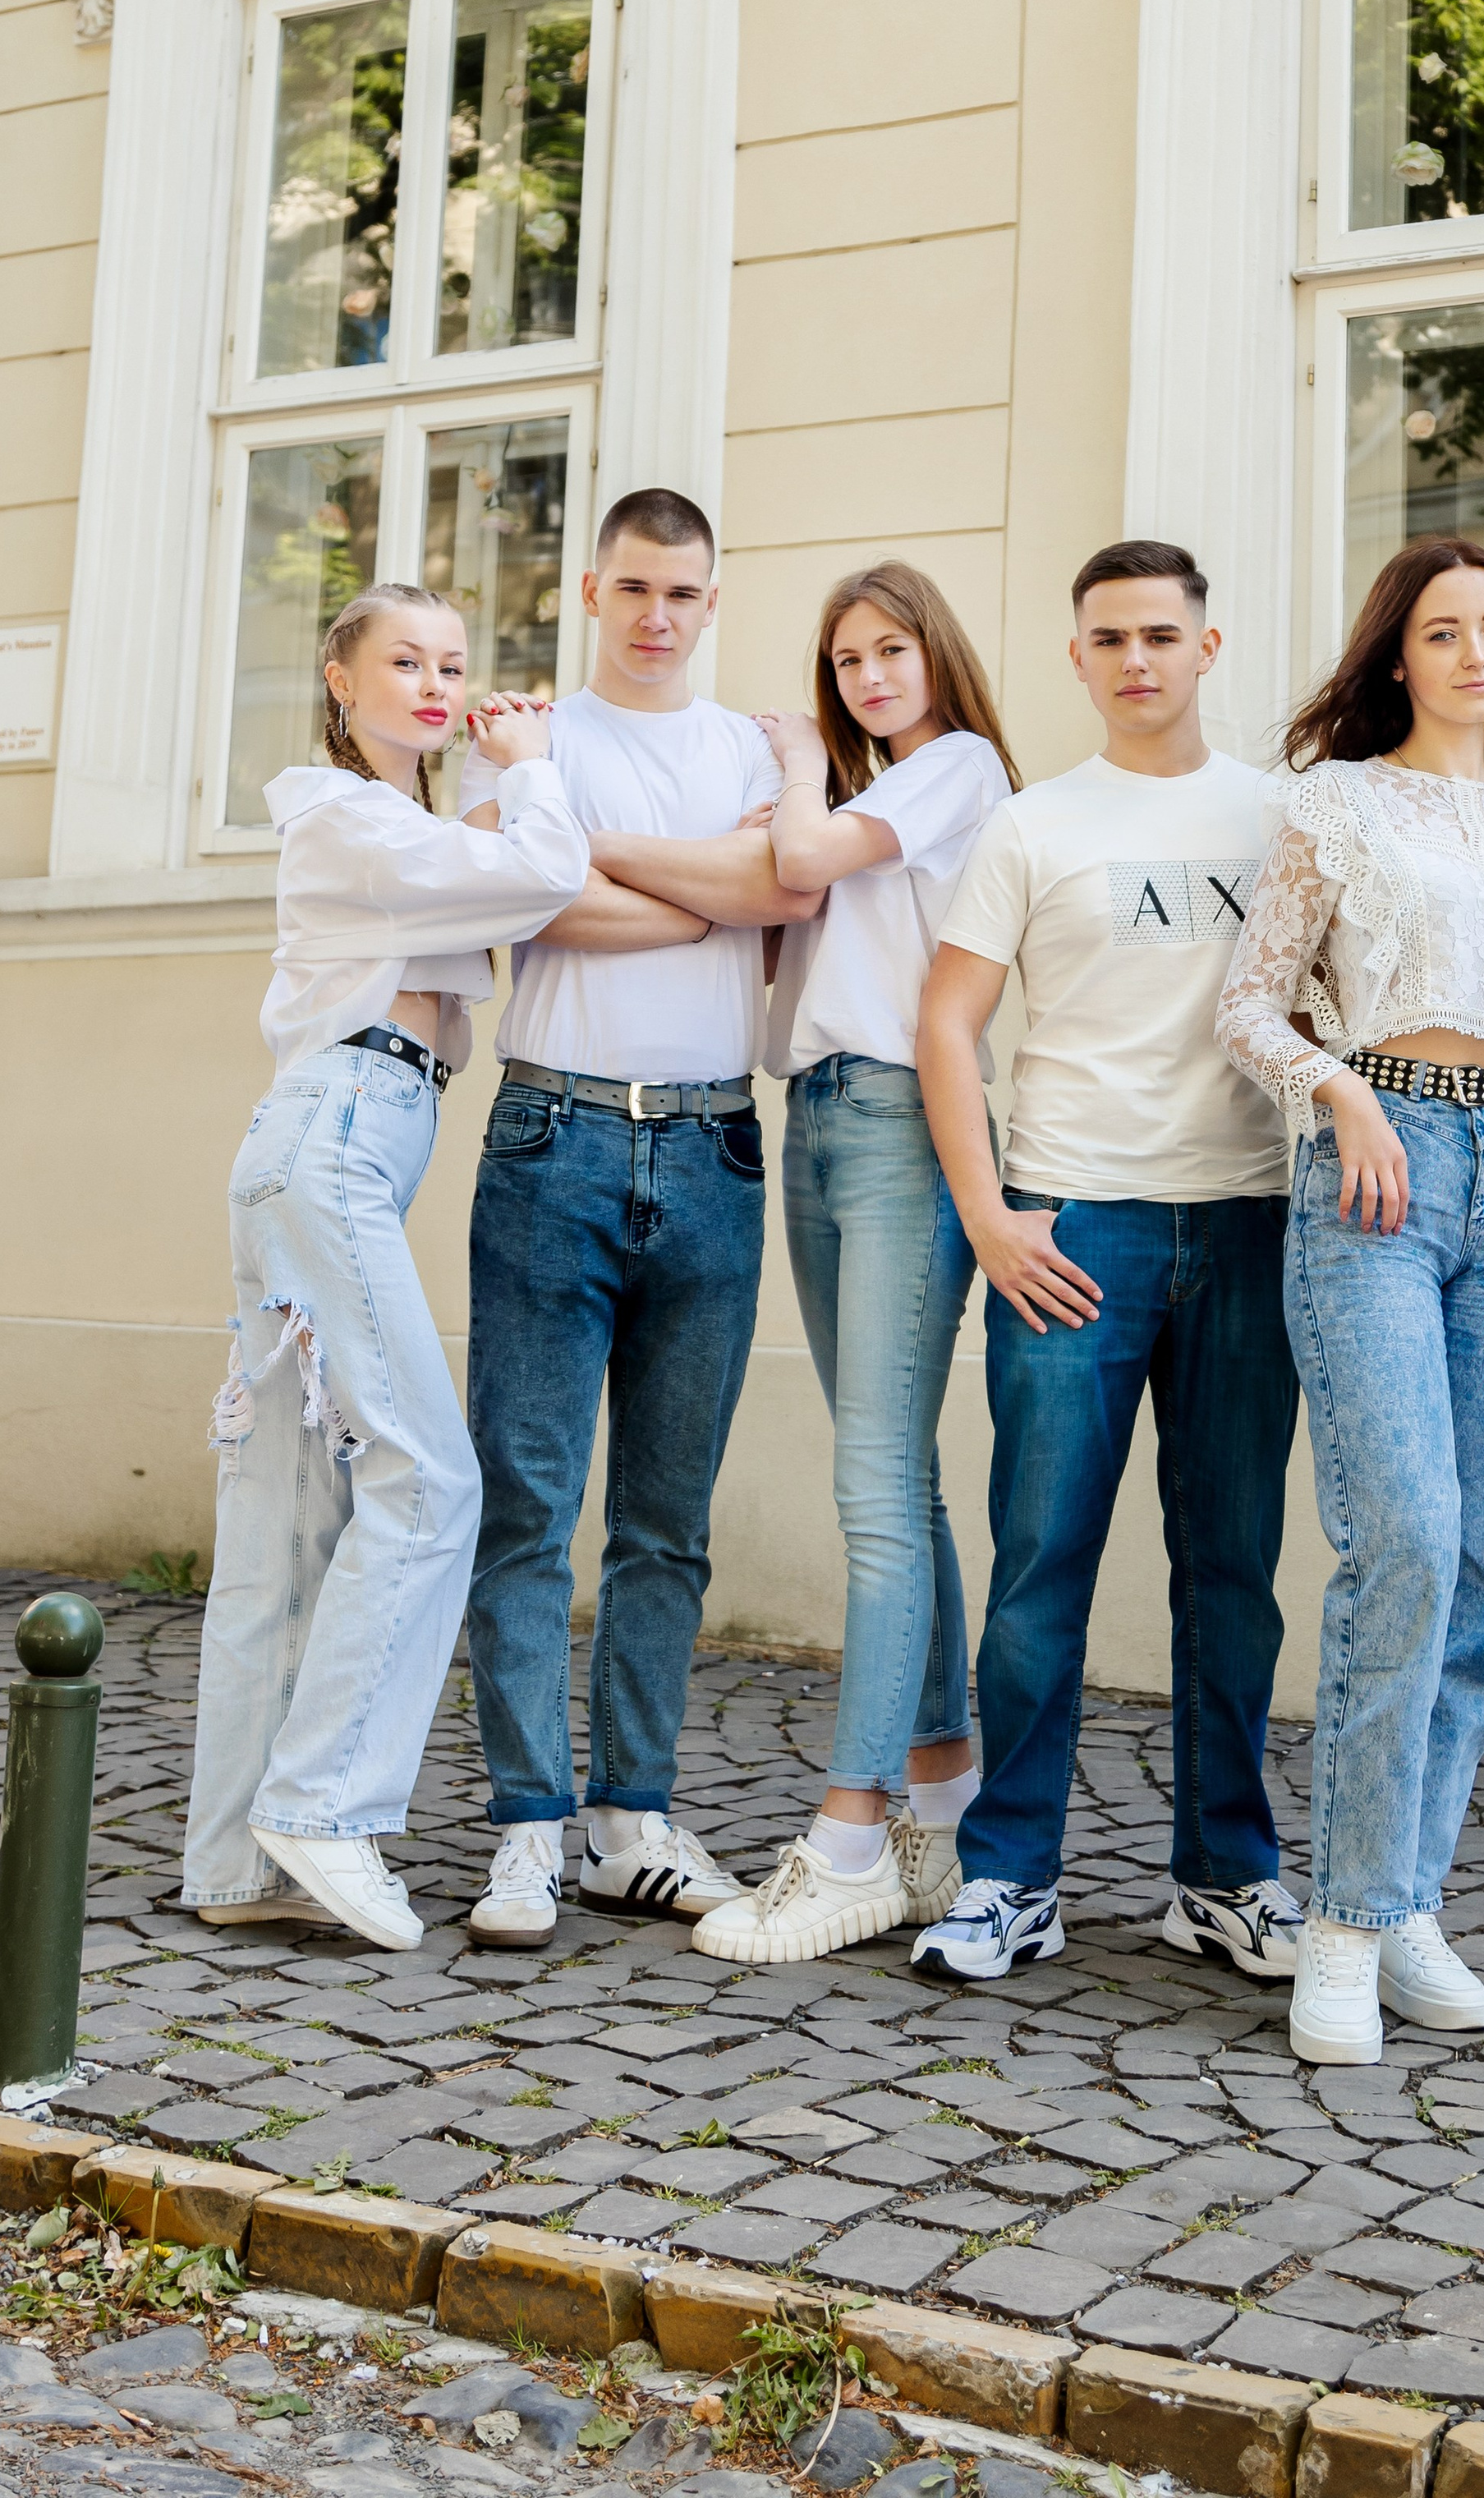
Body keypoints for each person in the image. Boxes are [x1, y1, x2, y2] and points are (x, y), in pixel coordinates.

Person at [1215, 536, 1484, 2066]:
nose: (1476, 652)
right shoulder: (1336, 808)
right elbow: (1248, 1003)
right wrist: (1343, 1094)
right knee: (1410, 1540)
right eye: (1445, 630)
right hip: (1376, 1175)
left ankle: (1404, 1904)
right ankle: (1337, 1926)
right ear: (1398, 654)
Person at [906, 540, 1304, 1984]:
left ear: (1210, 647)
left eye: (1159, 634)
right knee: (1040, 1568)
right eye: (1107, 639)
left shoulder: (1283, 817)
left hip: (1251, 1223)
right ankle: (1009, 1876)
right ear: (1076, 660)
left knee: (1235, 1571)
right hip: (1073, 1229)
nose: (1135, 659)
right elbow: (946, 1024)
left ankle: (1227, 1875)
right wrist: (991, 1215)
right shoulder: (1032, 825)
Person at [182, 582, 588, 1950]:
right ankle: (326, 1807)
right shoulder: (345, 817)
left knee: (288, 1515)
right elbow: (544, 877)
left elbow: (483, 870)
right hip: (334, 1141)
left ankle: (234, 1860)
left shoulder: (403, 830)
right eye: (403, 661)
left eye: (453, 664)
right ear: (340, 681)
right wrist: (533, 769)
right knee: (431, 1477)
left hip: (328, 1145)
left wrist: (492, 785)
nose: (433, 682)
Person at [457, 488, 818, 1948]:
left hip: (716, 1146)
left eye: (685, 594)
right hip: (555, 1135)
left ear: (713, 601)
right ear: (591, 591)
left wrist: (599, 860)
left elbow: (776, 883)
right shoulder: (531, 741)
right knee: (530, 1505)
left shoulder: (754, 750)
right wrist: (706, 896)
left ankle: (632, 1822)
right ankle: (530, 1829)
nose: (659, 618)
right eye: (635, 592)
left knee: (667, 1521)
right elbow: (525, 907)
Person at [670, 563, 1021, 1966]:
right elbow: (772, 901)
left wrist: (803, 773)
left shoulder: (956, 765)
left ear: (937, 653)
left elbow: (799, 866)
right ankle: (944, 1801)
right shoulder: (871, 795)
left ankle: (851, 1839)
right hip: (812, 1119)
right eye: (848, 660)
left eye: (892, 651)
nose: (873, 677)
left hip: (894, 1122)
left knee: (877, 1488)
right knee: (899, 1480)